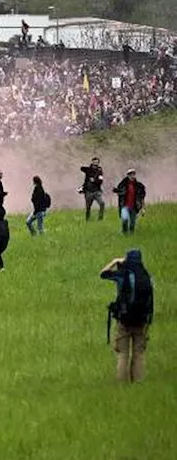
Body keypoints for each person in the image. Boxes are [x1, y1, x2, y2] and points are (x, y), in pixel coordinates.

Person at [101, 250, 153, 383]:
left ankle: (121, 383)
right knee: (139, 353)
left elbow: (103, 274)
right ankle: (138, 382)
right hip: (141, 320)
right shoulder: (147, 276)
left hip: (124, 320)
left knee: (123, 353)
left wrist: (114, 262)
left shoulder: (123, 275)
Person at [113, 169, 146, 235]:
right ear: (128, 175)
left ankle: (131, 234)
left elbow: (141, 197)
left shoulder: (139, 186)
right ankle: (124, 233)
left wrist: (143, 208)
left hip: (134, 207)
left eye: (133, 174)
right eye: (130, 175)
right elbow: (119, 191)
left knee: (132, 223)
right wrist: (116, 191)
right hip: (124, 206)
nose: (132, 176)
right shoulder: (123, 184)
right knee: (125, 220)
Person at [80, 157, 106, 221]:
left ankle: (100, 218)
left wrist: (94, 180)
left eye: (97, 162)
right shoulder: (89, 170)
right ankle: (87, 219)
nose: (95, 163)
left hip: (97, 191)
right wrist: (90, 169)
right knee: (88, 207)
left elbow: (100, 181)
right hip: (88, 191)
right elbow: (82, 168)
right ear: (92, 162)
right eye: (94, 162)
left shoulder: (99, 171)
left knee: (102, 203)